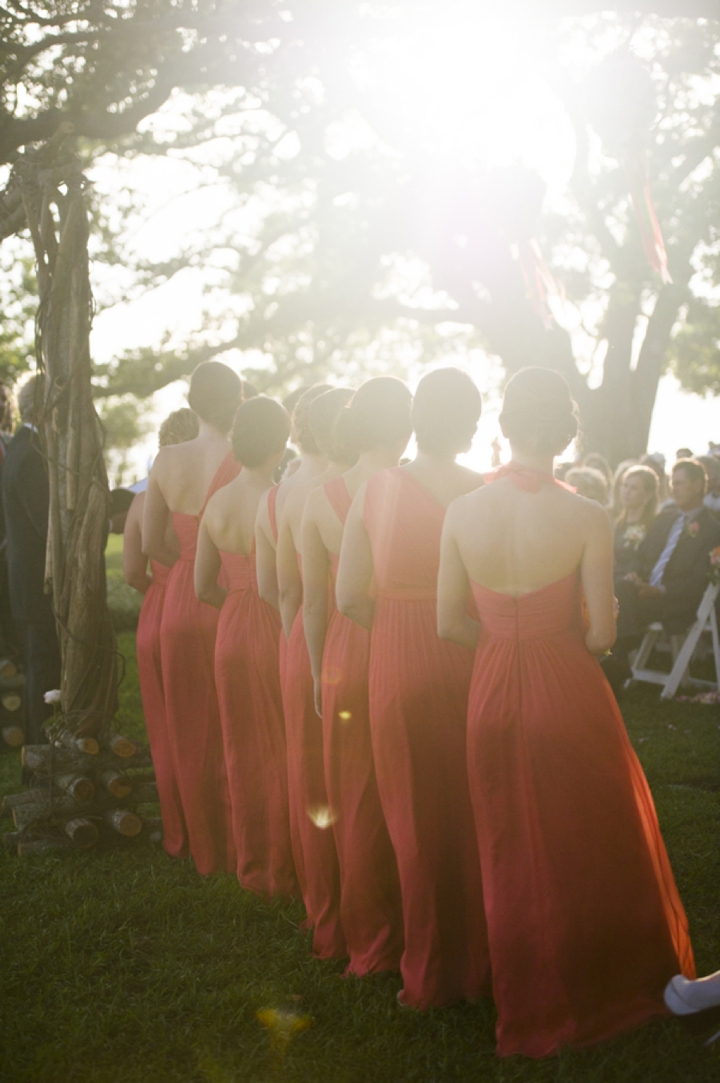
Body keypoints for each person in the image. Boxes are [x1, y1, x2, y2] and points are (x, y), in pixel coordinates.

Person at [437, 366, 694, 1058]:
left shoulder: (462, 512)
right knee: (591, 836)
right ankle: (601, 977)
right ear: (567, 430)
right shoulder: (586, 513)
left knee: (509, 841)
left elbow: (446, 621)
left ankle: (527, 992)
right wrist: (552, 639)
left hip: (491, 686)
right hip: (566, 683)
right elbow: (604, 635)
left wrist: (501, 642)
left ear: (504, 424)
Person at [336, 367, 490, 1010]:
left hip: (397, 658)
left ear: (414, 421)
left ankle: (426, 975)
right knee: (475, 809)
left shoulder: (376, 489)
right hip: (470, 654)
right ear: (472, 424)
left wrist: (399, 624)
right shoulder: (482, 491)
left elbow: (347, 596)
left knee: (412, 818)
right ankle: (485, 962)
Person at [301, 376, 412, 977]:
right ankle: (424, 925)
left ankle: (370, 938)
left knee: (356, 797)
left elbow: (314, 602)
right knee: (417, 784)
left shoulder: (320, 498)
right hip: (409, 636)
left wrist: (318, 670)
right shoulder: (418, 487)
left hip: (344, 649)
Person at [194, 396, 297, 900]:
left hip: (230, 628)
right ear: (280, 443)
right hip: (272, 621)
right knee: (281, 742)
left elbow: (201, 587)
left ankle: (250, 859)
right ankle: (286, 862)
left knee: (241, 746)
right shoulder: (278, 499)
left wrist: (234, 605)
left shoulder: (215, 503)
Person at [142, 361, 243, 875]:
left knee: (189, 726)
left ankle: (199, 843)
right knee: (237, 721)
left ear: (192, 404)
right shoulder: (245, 459)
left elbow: (148, 543)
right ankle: (243, 839)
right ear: (238, 401)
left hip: (181, 598)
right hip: (232, 595)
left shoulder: (167, 459)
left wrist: (184, 563)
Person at [275, 386, 354, 960]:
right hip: (355, 634)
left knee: (310, 777)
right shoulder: (367, 490)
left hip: (301, 631)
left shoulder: (285, 493)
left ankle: (323, 905)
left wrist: (295, 646)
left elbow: (282, 588)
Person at [123, 407, 198, 860]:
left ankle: (179, 830)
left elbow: (132, 571)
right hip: (192, 604)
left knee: (165, 728)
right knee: (203, 722)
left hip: (155, 612)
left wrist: (160, 588)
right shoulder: (205, 493)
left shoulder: (141, 500)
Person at [609, 457, 720, 684]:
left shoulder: (711, 530)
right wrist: (636, 576)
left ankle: (620, 652)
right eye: (672, 482)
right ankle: (620, 653)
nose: (673, 488)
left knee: (618, 595)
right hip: (643, 592)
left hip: (675, 601)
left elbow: (699, 581)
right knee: (615, 586)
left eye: (679, 483)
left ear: (699, 485)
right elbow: (643, 556)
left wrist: (658, 590)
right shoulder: (665, 518)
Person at [2, 374, 60, 750]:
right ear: (42, 409)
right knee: (43, 671)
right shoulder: (32, 455)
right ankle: (43, 760)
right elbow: (46, 524)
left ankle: (37, 758)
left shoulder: (22, 446)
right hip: (36, 583)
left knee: (39, 671)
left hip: (24, 582)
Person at [612, 464, 659, 581]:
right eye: (625, 485)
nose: (626, 491)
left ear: (648, 494)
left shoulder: (654, 526)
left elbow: (648, 561)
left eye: (634, 488)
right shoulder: (618, 524)